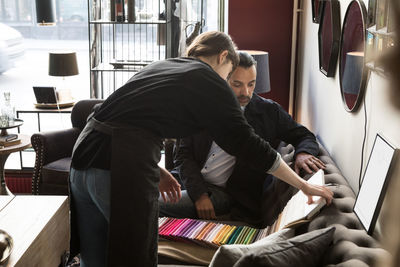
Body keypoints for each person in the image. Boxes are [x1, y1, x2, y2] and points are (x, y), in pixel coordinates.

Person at [69, 31, 333, 267]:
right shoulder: (209, 80)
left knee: (94, 256)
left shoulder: (166, 66)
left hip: (83, 157)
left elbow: (118, 116)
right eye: (230, 74)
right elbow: (247, 144)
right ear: (223, 57)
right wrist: (303, 185)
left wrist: (155, 169)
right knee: (134, 256)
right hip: (121, 168)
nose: (228, 82)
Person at [159, 51, 326, 225]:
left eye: (251, 84)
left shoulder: (269, 112)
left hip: (224, 194)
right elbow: (183, 154)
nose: (245, 92)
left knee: (151, 203)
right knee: (135, 189)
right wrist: (199, 193)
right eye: (237, 84)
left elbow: (303, 135)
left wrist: (304, 153)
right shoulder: (204, 106)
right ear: (223, 80)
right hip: (186, 180)